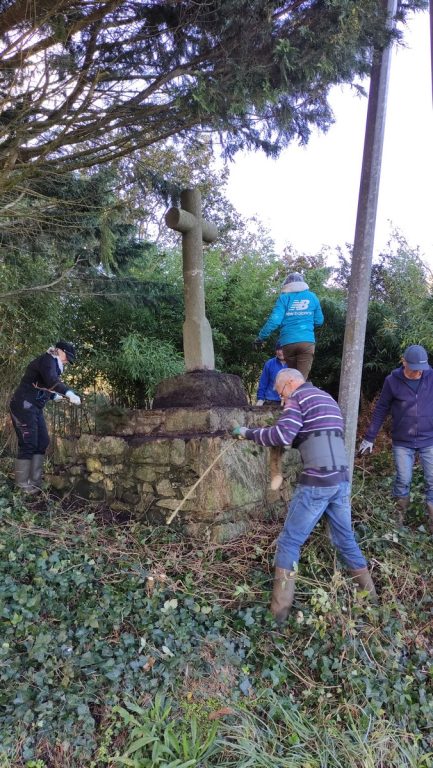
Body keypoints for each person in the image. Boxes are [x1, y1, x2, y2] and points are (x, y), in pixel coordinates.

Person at [232, 368, 377, 624]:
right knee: (345, 540)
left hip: (317, 483)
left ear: (290, 383)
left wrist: (247, 433)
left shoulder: (298, 398)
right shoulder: (326, 398)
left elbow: (281, 435)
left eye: (281, 393)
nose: (282, 400)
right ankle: (371, 601)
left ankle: (278, 615)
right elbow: (316, 433)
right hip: (340, 481)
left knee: (289, 541)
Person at [359, 344, 433, 531]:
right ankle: (397, 523)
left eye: (421, 369)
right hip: (403, 441)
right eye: (415, 368)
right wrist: (370, 437)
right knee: (403, 479)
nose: (419, 372)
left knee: (432, 480)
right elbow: (381, 409)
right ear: (404, 362)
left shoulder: (430, 376)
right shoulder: (392, 381)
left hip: (429, 439)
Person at [10, 340, 81, 494]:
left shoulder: (54, 365)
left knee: (42, 441)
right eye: (67, 357)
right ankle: (21, 486)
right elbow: (51, 380)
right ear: (59, 351)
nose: (67, 361)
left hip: (34, 408)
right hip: (23, 405)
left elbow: (43, 384)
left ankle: (35, 482)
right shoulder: (48, 360)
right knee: (28, 443)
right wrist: (68, 393)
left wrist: (53, 396)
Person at [253, 272, 324, 380]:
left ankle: (292, 390)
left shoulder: (284, 297)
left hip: (288, 342)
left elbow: (274, 320)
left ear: (287, 284)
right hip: (306, 342)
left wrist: (261, 337)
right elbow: (319, 321)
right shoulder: (312, 297)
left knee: (293, 377)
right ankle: (300, 389)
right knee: (301, 379)